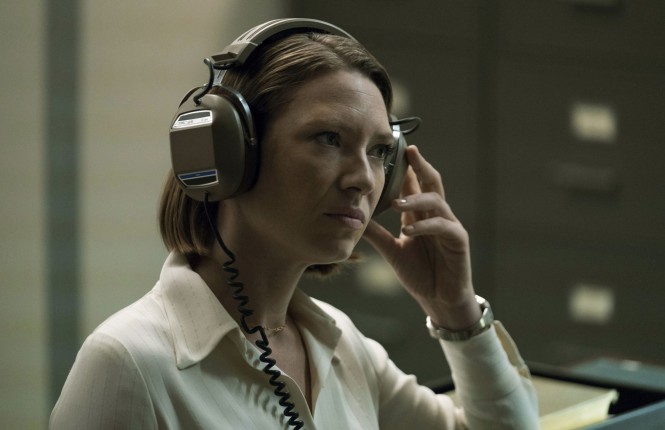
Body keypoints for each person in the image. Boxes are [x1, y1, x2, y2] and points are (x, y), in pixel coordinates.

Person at [50, 18, 539, 429]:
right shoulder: (128, 363)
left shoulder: (343, 346)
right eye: (328, 138)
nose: (363, 180)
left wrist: (454, 309)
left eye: (378, 152)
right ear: (230, 151)